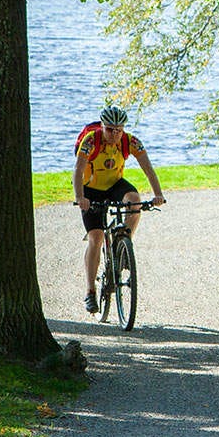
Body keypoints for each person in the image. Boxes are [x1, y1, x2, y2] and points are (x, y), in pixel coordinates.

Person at [73, 104, 166, 314]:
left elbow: (148, 168)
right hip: (90, 190)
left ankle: (124, 242)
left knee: (134, 200)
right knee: (96, 237)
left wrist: (158, 194)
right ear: (102, 126)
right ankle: (90, 291)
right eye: (109, 129)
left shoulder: (130, 141)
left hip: (114, 185)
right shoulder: (90, 141)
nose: (114, 134)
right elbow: (78, 170)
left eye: (119, 130)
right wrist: (80, 197)